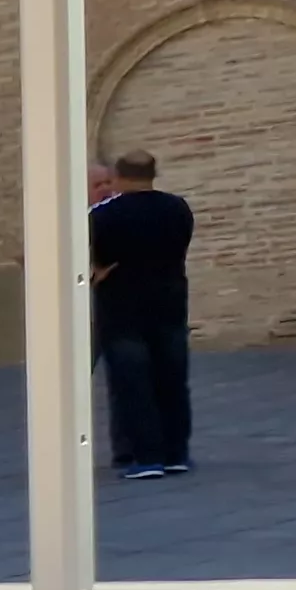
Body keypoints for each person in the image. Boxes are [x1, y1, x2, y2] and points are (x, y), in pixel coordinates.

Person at [92, 148, 196, 479]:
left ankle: (146, 457)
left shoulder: (103, 215)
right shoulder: (178, 208)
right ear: (154, 174)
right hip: (170, 303)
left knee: (133, 383)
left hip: (123, 309)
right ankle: (176, 452)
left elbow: (94, 254)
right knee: (172, 379)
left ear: (120, 176)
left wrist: (97, 272)